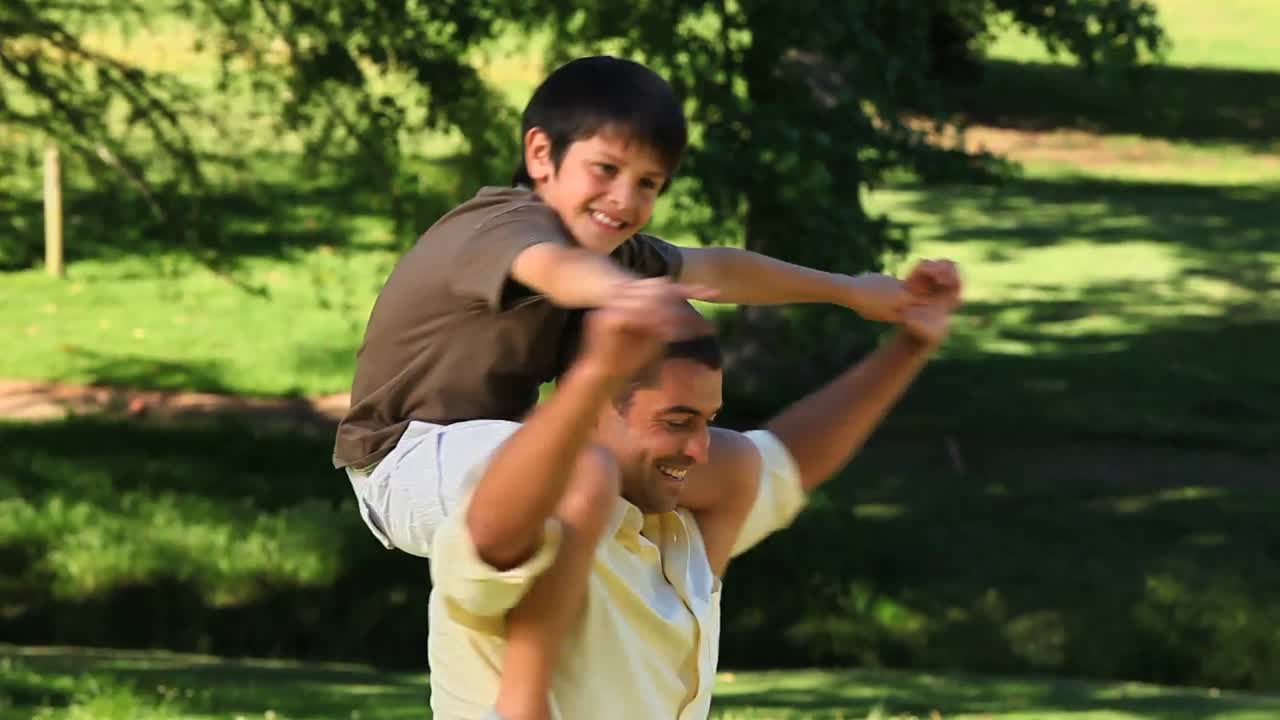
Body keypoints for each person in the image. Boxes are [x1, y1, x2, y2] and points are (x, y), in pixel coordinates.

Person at [333, 54, 958, 719]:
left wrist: (850, 293)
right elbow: (552, 270)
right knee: (584, 475)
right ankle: (523, 699)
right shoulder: (500, 226)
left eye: (649, 183)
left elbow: (721, 269)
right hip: (400, 459)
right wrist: (625, 299)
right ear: (541, 155)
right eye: (606, 170)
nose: (626, 200)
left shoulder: (611, 249)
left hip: (493, 450)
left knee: (736, 464)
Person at [426, 262, 960, 719]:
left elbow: (786, 461)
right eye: (677, 421)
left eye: (707, 421)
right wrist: (595, 376)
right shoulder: (532, 513)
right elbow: (489, 537)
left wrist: (909, 347)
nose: (699, 449)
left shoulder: (684, 521)